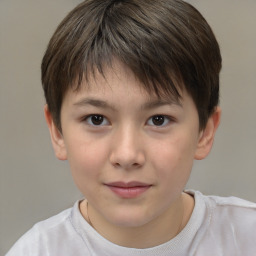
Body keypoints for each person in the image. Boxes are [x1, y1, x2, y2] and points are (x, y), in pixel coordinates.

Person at [6, 0, 256, 255]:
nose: (127, 156)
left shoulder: (247, 237)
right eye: (96, 119)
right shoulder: (36, 251)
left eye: (158, 120)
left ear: (205, 132)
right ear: (57, 131)